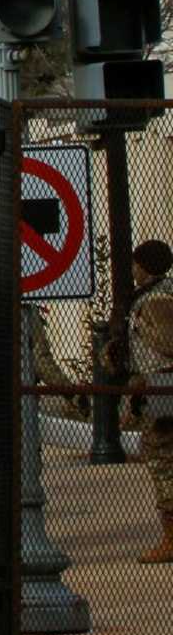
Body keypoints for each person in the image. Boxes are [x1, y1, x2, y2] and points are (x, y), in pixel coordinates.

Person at [122, 239, 173, 563]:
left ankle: (171, 539)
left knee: (162, 462)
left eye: (135, 263)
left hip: (162, 389)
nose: (132, 270)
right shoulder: (156, 294)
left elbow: (167, 342)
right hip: (156, 389)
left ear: (143, 265)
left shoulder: (155, 299)